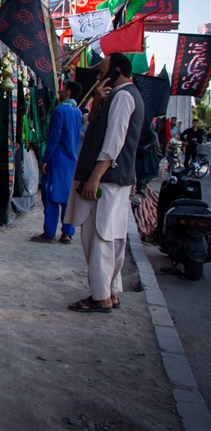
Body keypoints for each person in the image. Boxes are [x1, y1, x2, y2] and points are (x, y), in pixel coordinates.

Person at [64, 53, 144, 313]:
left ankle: (101, 297)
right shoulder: (119, 96)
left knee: (98, 238)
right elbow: (93, 125)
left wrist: (95, 176)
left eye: (104, 70)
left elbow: (114, 141)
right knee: (110, 237)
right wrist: (97, 101)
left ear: (116, 71)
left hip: (106, 180)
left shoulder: (122, 97)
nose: (99, 73)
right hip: (114, 179)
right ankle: (111, 292)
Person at [32, 81, 83, 244]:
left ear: (68, 91)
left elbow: (54, 138)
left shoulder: (60, 110)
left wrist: (45, 159)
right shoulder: (78, 112)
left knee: (51, 196)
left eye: (63, 88)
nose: (60, 91)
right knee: (67, 197)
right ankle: (67, 232)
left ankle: (49, 232)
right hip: (71, 160)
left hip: (57, 159)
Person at [135, 119, 161, 192]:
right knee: (139, 170)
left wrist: (146, 146)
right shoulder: (139, 127)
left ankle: (141, 186)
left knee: (144, 170)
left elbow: (153, 138)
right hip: (140, 152)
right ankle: (139, 186)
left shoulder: (148, 129)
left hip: (145, 152)